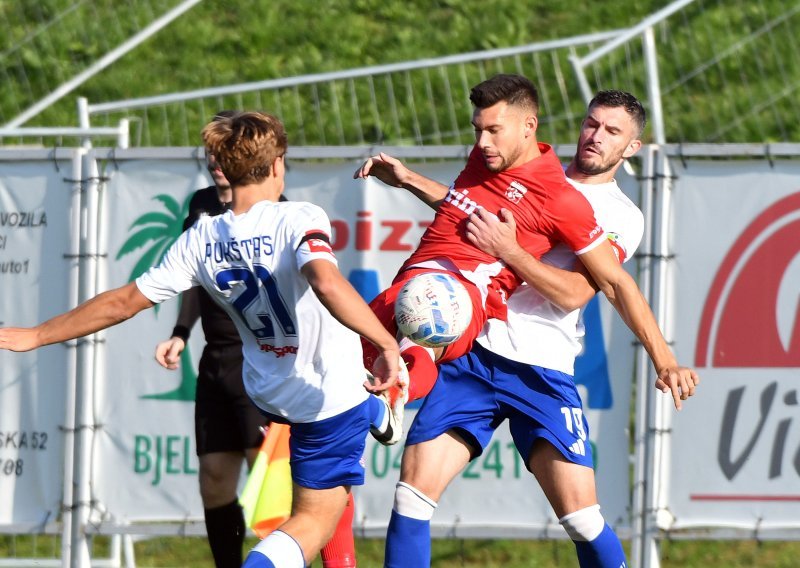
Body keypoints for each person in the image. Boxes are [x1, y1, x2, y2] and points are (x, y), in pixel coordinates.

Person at [0, 111, 403, 568]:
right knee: (312, 522)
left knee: (297, 506)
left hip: (269, 391)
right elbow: (327, 284)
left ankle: (374, 409)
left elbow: (123, 301)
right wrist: (387, 346)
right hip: (328, 397)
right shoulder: (299, 216)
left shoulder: (201, 237)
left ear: (223, 171)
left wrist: (36, 334)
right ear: (277, 166)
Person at [356, 88, 700, 567]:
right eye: (592, 123)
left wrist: (665, 360)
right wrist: (411, 180)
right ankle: (395, 386)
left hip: (540, 367)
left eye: (612, 131)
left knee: (582, 519)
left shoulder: (619, 214)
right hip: (475, 353)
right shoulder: (531, 170)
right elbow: (466, 210)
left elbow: (580, 293)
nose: (596, 137)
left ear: (631, 147)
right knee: (411, 494)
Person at [154, 110, 357, 568]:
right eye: (210, 157)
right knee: (213, 477)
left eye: (221, 156)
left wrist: (380, 342)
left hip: (265, 363)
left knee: (276, 488)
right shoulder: (204, 210)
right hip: (217, 360)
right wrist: (181, 332)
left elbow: (322, 282)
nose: (215, 165)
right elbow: (188, 277)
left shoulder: (280, 214)